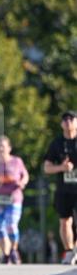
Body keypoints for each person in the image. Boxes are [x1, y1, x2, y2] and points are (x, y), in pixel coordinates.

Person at [0, 135, 29, 264]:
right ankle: (6, 253)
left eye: (3, 146)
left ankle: (14, 250)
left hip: (14, 199)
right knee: (0, 229)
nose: (1, 149)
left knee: (11, 225)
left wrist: (22, 182)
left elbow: (25, 175)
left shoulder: (17, 161)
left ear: (9, 148)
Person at [43, 110, 77, 265]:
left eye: (71, 118)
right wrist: (62, 168)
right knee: (65, 221)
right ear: (62, 124)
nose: (68, 121)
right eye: (65, 119)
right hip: (64, 190)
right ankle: (69, 251)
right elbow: (47, 168)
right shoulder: (56, 143)